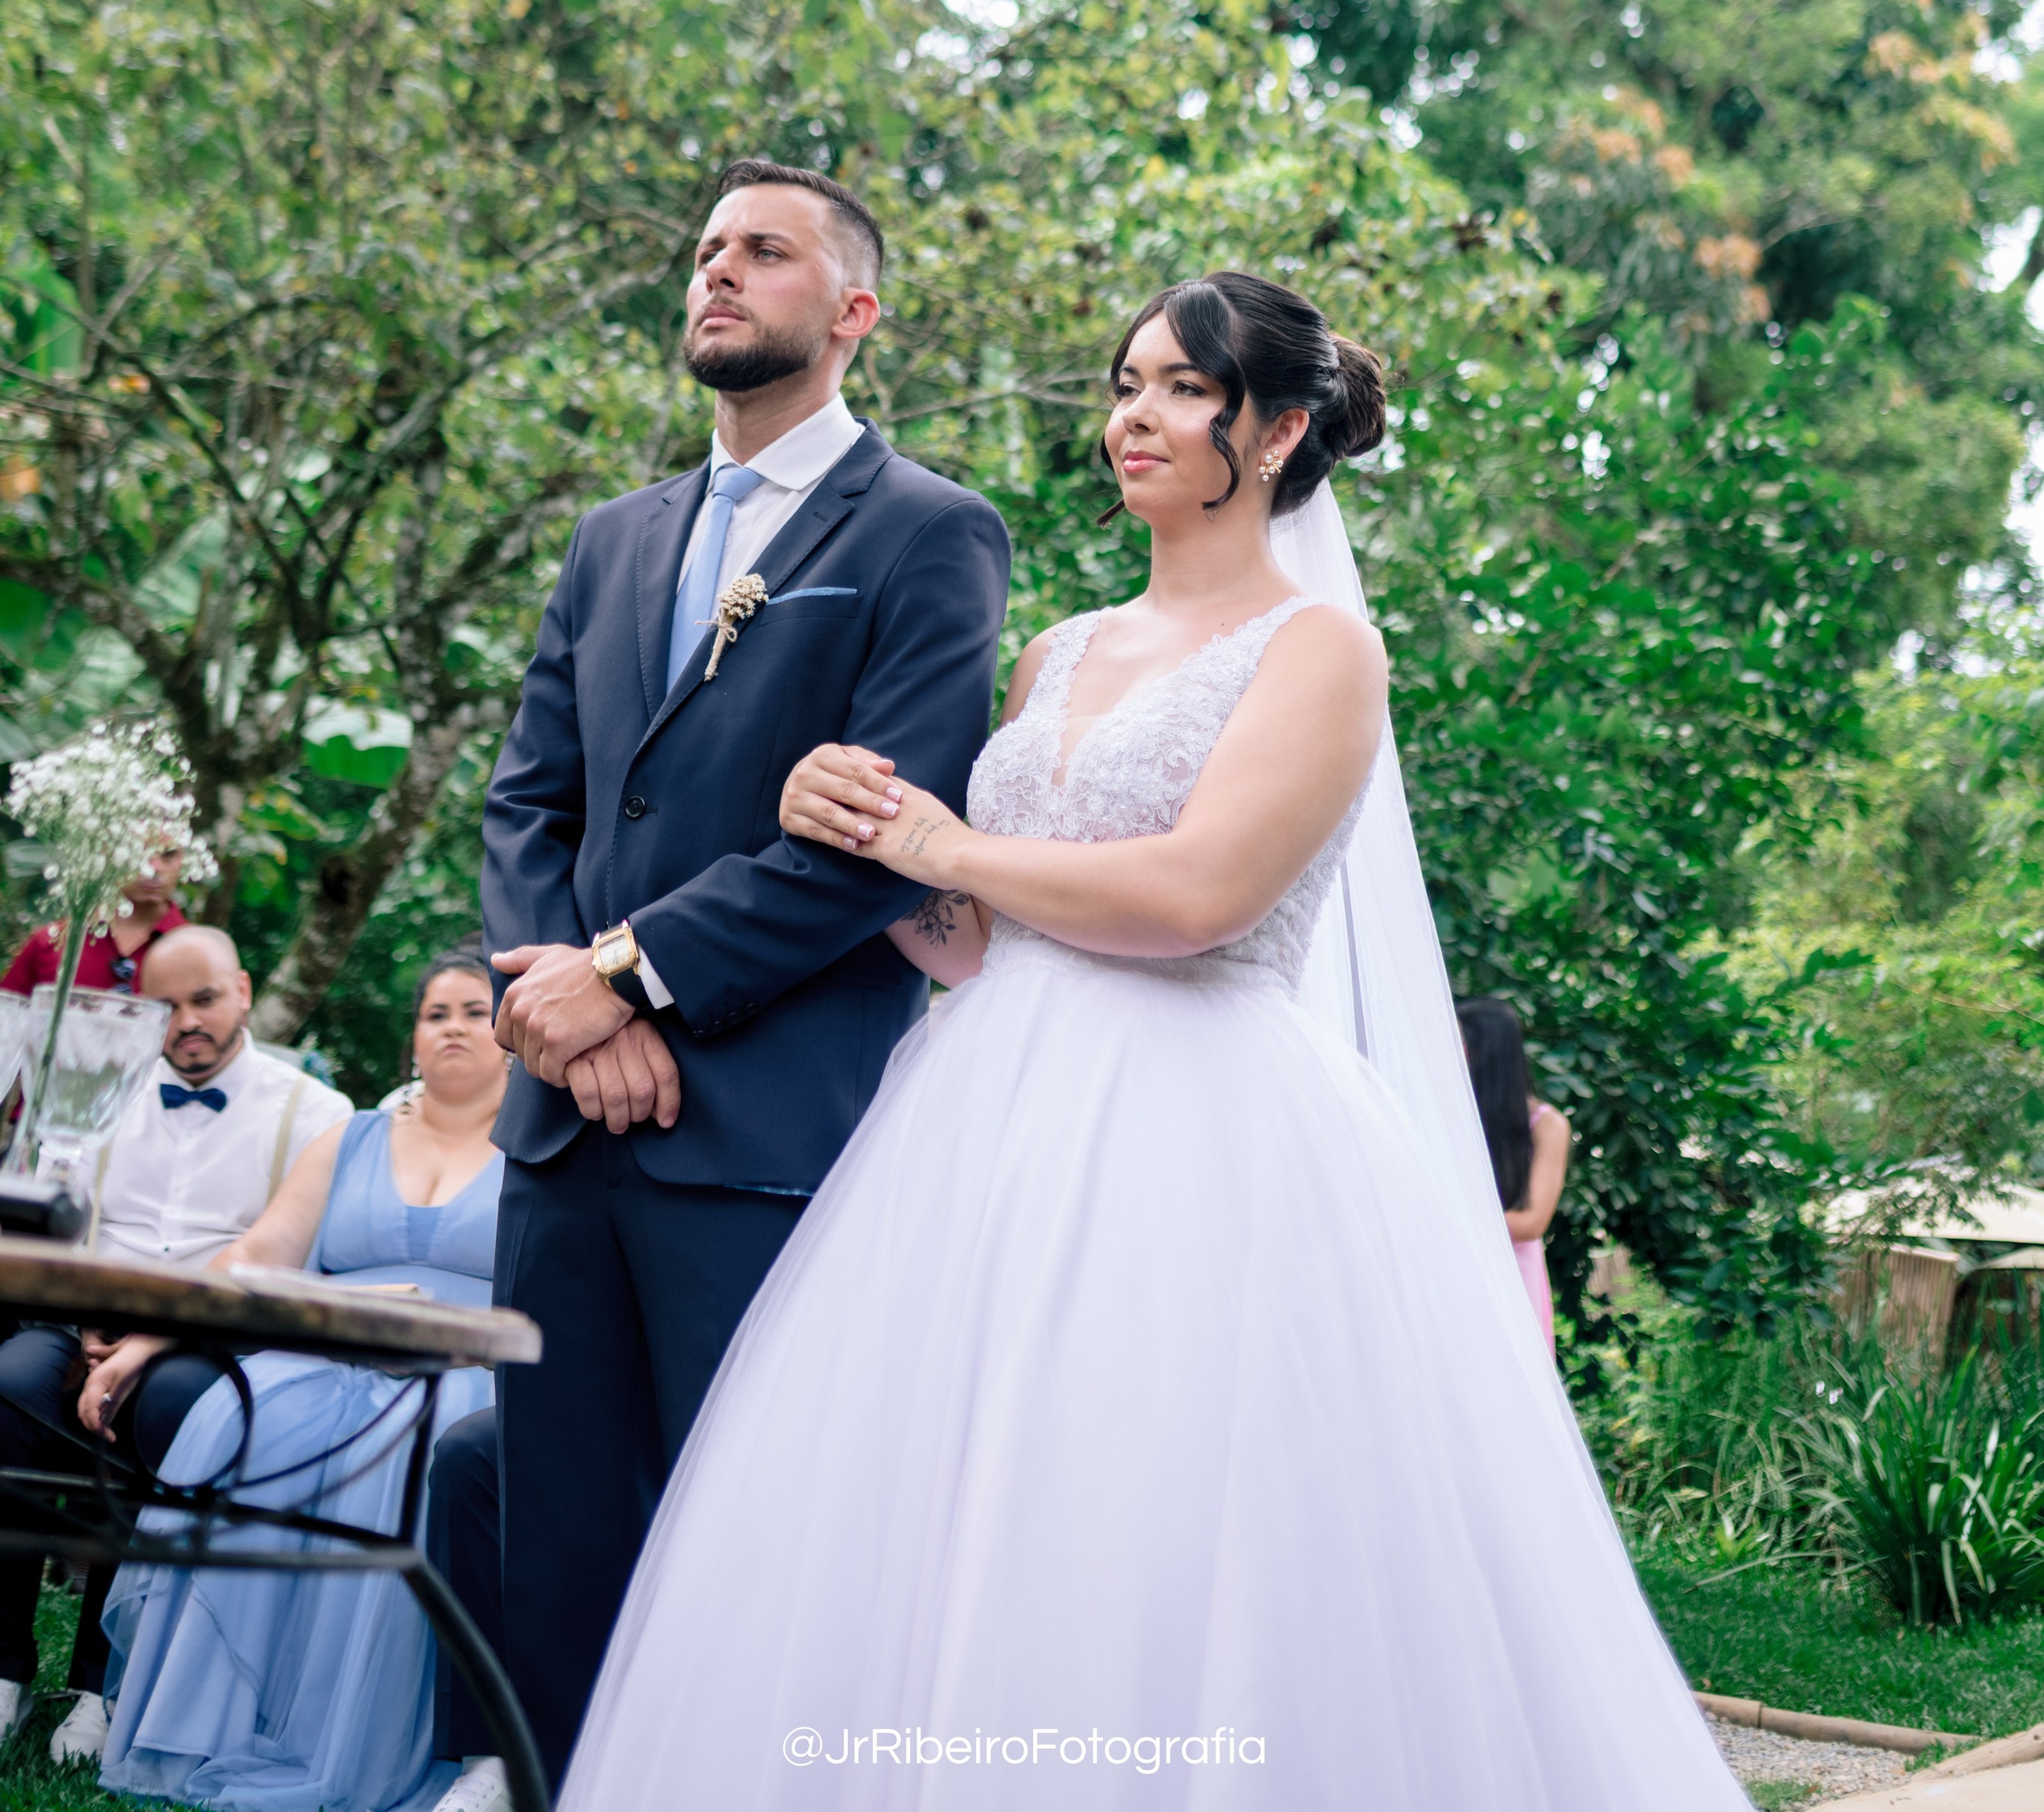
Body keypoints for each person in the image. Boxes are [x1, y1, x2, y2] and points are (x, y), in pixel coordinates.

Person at [556, 271, 1747, 1810]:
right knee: (951, 1513)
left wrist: (940, 846)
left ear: (1278, 429)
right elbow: (972, 943)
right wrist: (846, 829)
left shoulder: (1320, 650)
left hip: (1204, 1131)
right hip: (982, 1121)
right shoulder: (1057, 651)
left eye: (1182, 388)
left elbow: (1196, 896)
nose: (1135, 415)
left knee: (1159, 1511)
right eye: (1128, 384)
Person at [455, 159, 1009, 1798]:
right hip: (566, 1140)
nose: (718, 273)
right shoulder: (610, 540)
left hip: (760, 1130)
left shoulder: (927, 533)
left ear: (850, 313)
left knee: (757, 1544)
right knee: (549, 1539)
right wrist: (554, 1011)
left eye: (763, 252)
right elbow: (527, 802)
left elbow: (879, 836)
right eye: (704, 250)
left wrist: (631, 978)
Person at [95, 951, 505, 1812]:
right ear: (414, 1039)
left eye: (476, 1009)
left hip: (465, 1371)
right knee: (244, 1417)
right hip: (318, 1359)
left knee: (430, 1435)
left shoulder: (543, 1147)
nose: (455, 1026)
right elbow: (251, 1261)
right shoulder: (351, 1134)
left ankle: (382, 1745)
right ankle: (223, 1726)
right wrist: (143, 1342)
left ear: (512, 1031)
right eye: (436, 1013)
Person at [0, 924, 350, 1767]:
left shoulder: (314, 1112)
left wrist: (145, 1345)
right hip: (83, 1320)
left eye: (202, 999)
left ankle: (102, 1681)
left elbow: (283, 1263)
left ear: (242, 990)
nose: (186, 1021)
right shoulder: (101, 1092)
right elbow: (60, 1214)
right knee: (8, 1388)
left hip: (211, 1338)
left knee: (166, 1411)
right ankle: (5, 1668)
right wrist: (83, 1316)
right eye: (164, 1006)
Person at [1457, 994, 1572, 1355]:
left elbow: (1532, 1222)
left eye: (1456, 1041)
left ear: (1484, 1051)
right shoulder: (1448, 1118)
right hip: (1452, 1264)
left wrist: (1446, 1218)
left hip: (1512, 1275)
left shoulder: (1546, 1125)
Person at [3, 842, 188, 995]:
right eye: (137, 851)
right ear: (108, 855)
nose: (153, 868)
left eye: (168, 855)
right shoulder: (52, 942)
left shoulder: (196, 952)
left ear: (183, 861)